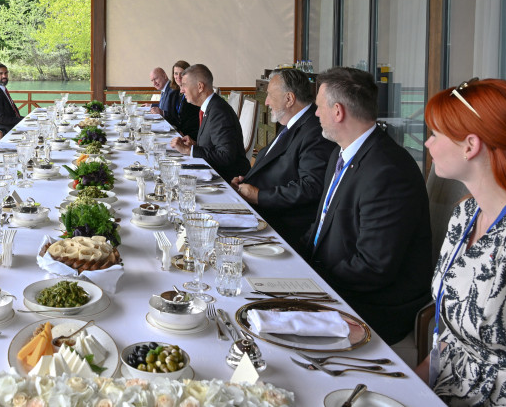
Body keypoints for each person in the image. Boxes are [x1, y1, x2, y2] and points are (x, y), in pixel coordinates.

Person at [417, 78, 506, 404]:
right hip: (448, 391)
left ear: (470, 146)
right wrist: (406, 386)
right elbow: (452, 337)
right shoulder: (465, 214)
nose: (427, 143)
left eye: (436, 134)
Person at [303, 67, 431, 344]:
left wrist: (308, 282)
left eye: (319, 107)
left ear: (338, 111)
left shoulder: (388, 171)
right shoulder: (341, 153)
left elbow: (373, 267)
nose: (315, 114)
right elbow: (322, 225)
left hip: (373, 306)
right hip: (335, 284)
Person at [230, 68, 335, 252]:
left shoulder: (314, 131)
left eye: (270, 95)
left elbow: (310, 187)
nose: (267, 102)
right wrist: (246, 182)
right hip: (261, 213)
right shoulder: (291, 124)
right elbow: (275, 166)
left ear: (289, 98)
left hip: (281, 226)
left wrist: (259, 195)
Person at [170, 63, 250, 181]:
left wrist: (189, 150)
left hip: (229, 180)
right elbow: (215, 146)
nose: (181, 90)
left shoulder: (218, 111)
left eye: (184, 85)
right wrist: (195, 145)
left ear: (200, 87)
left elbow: (226, 156)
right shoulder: (209, 107)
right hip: (213, 172)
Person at [0, 63, 23, 134]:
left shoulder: (2, 90)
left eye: (6, 73)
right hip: (7, 130)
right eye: (0, 74)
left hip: (14, 125)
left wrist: (24, 119)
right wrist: (21, 120)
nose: (4, 76)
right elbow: (0, 119)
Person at [170, 60, 199, 140]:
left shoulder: (193, 93)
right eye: (176, 73)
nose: (178, 77)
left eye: (182, 73)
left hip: (190, 136)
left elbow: (195, 120)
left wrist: (183, 133)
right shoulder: (175, 93)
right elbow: (174, 116)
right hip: (178, 132)